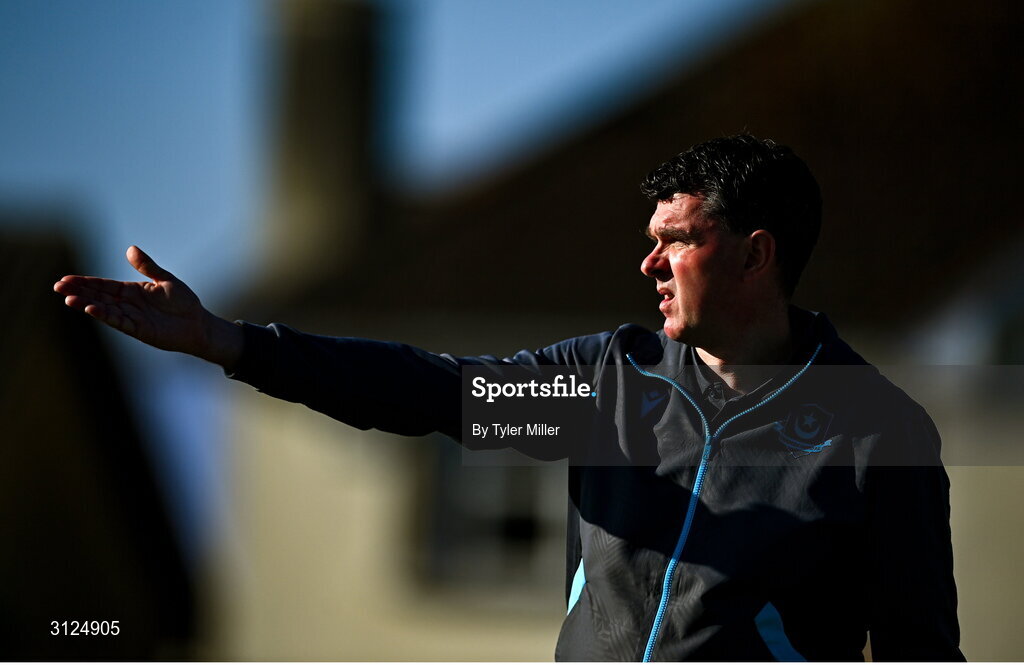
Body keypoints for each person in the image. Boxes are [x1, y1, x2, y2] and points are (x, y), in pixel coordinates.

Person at [53, 135, 963, 661]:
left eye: (676, 240)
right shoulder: (607, 387)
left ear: (758, 254)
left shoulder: (878, 434)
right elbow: (427, 394)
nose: (646, 264)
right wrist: (230, 343)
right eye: (647, 239)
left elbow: (923, 654)